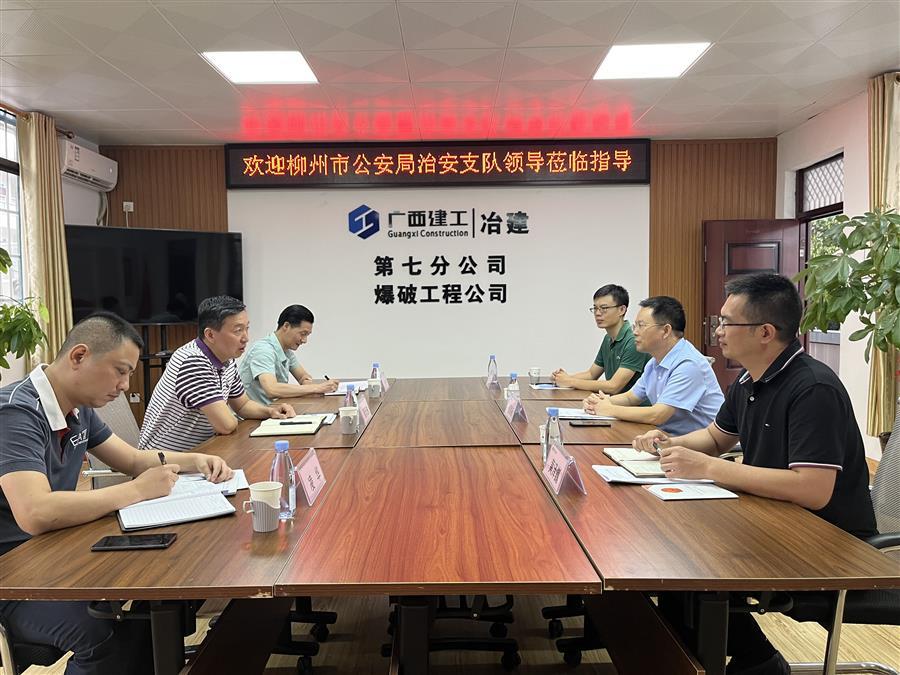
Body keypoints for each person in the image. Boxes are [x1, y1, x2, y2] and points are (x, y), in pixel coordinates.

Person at [633, 273, 877, 675]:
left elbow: (813, 490)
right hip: (772, 518)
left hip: (828, 541)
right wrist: (668, 442)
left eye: (727, 322)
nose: (718, 331)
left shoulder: (813, 388)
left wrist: (711, 468)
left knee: (688, 566)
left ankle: (754, 661)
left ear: (765, 332)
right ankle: (752, 659)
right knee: (673, 556)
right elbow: (716, 438)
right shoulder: (748, 379)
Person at [0, 311, 234, 675]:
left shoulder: (77, 408)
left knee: (154, 594)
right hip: (12, 575)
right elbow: (35, 512)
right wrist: (137, 490)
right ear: (79, 356)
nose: (125, 385)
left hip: (52, 552)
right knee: (101, 633)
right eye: (120, 371)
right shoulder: (16, 411)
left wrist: (195, 460)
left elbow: (133, 459)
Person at [139, 296, 295, 452]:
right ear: (210, 335)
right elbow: (226, 425)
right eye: (238, 330)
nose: (246, 338)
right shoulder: (193, 361)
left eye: (246, 328)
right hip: (164, 459)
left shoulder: (226, 359)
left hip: (201, 452)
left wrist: (270, 411)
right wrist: (230, 418)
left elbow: (243, 405)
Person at [583, 296, 723, 434]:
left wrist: (609, 409)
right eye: (635, 326)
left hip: (700, 444)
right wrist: (601, 402)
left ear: (666, 331)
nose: (635, 332)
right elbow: (630, 398)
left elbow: (657, 415)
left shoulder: (689, 364)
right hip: (667, 437)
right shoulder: (654, 362)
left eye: (641, 326)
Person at [551, 284, 649, 394]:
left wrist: (570, 381)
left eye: (604, 308)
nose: (597, 313)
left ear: (621, 310)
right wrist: (562, 378)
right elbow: (591, 374)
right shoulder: (608, 338)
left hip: (635, 404)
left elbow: (613, 386)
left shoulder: (633, 340)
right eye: (595, 308)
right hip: (613, 401)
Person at [239, 304, 339, 405]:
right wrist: (316, 388)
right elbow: (271, 389)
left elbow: (303, 376)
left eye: (307, 335)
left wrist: (307, 383)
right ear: (286, 326)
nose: (304, 340)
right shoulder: (263, 350)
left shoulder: (286, 350)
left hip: (274, 409)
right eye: (303, 334)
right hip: (252, 414)